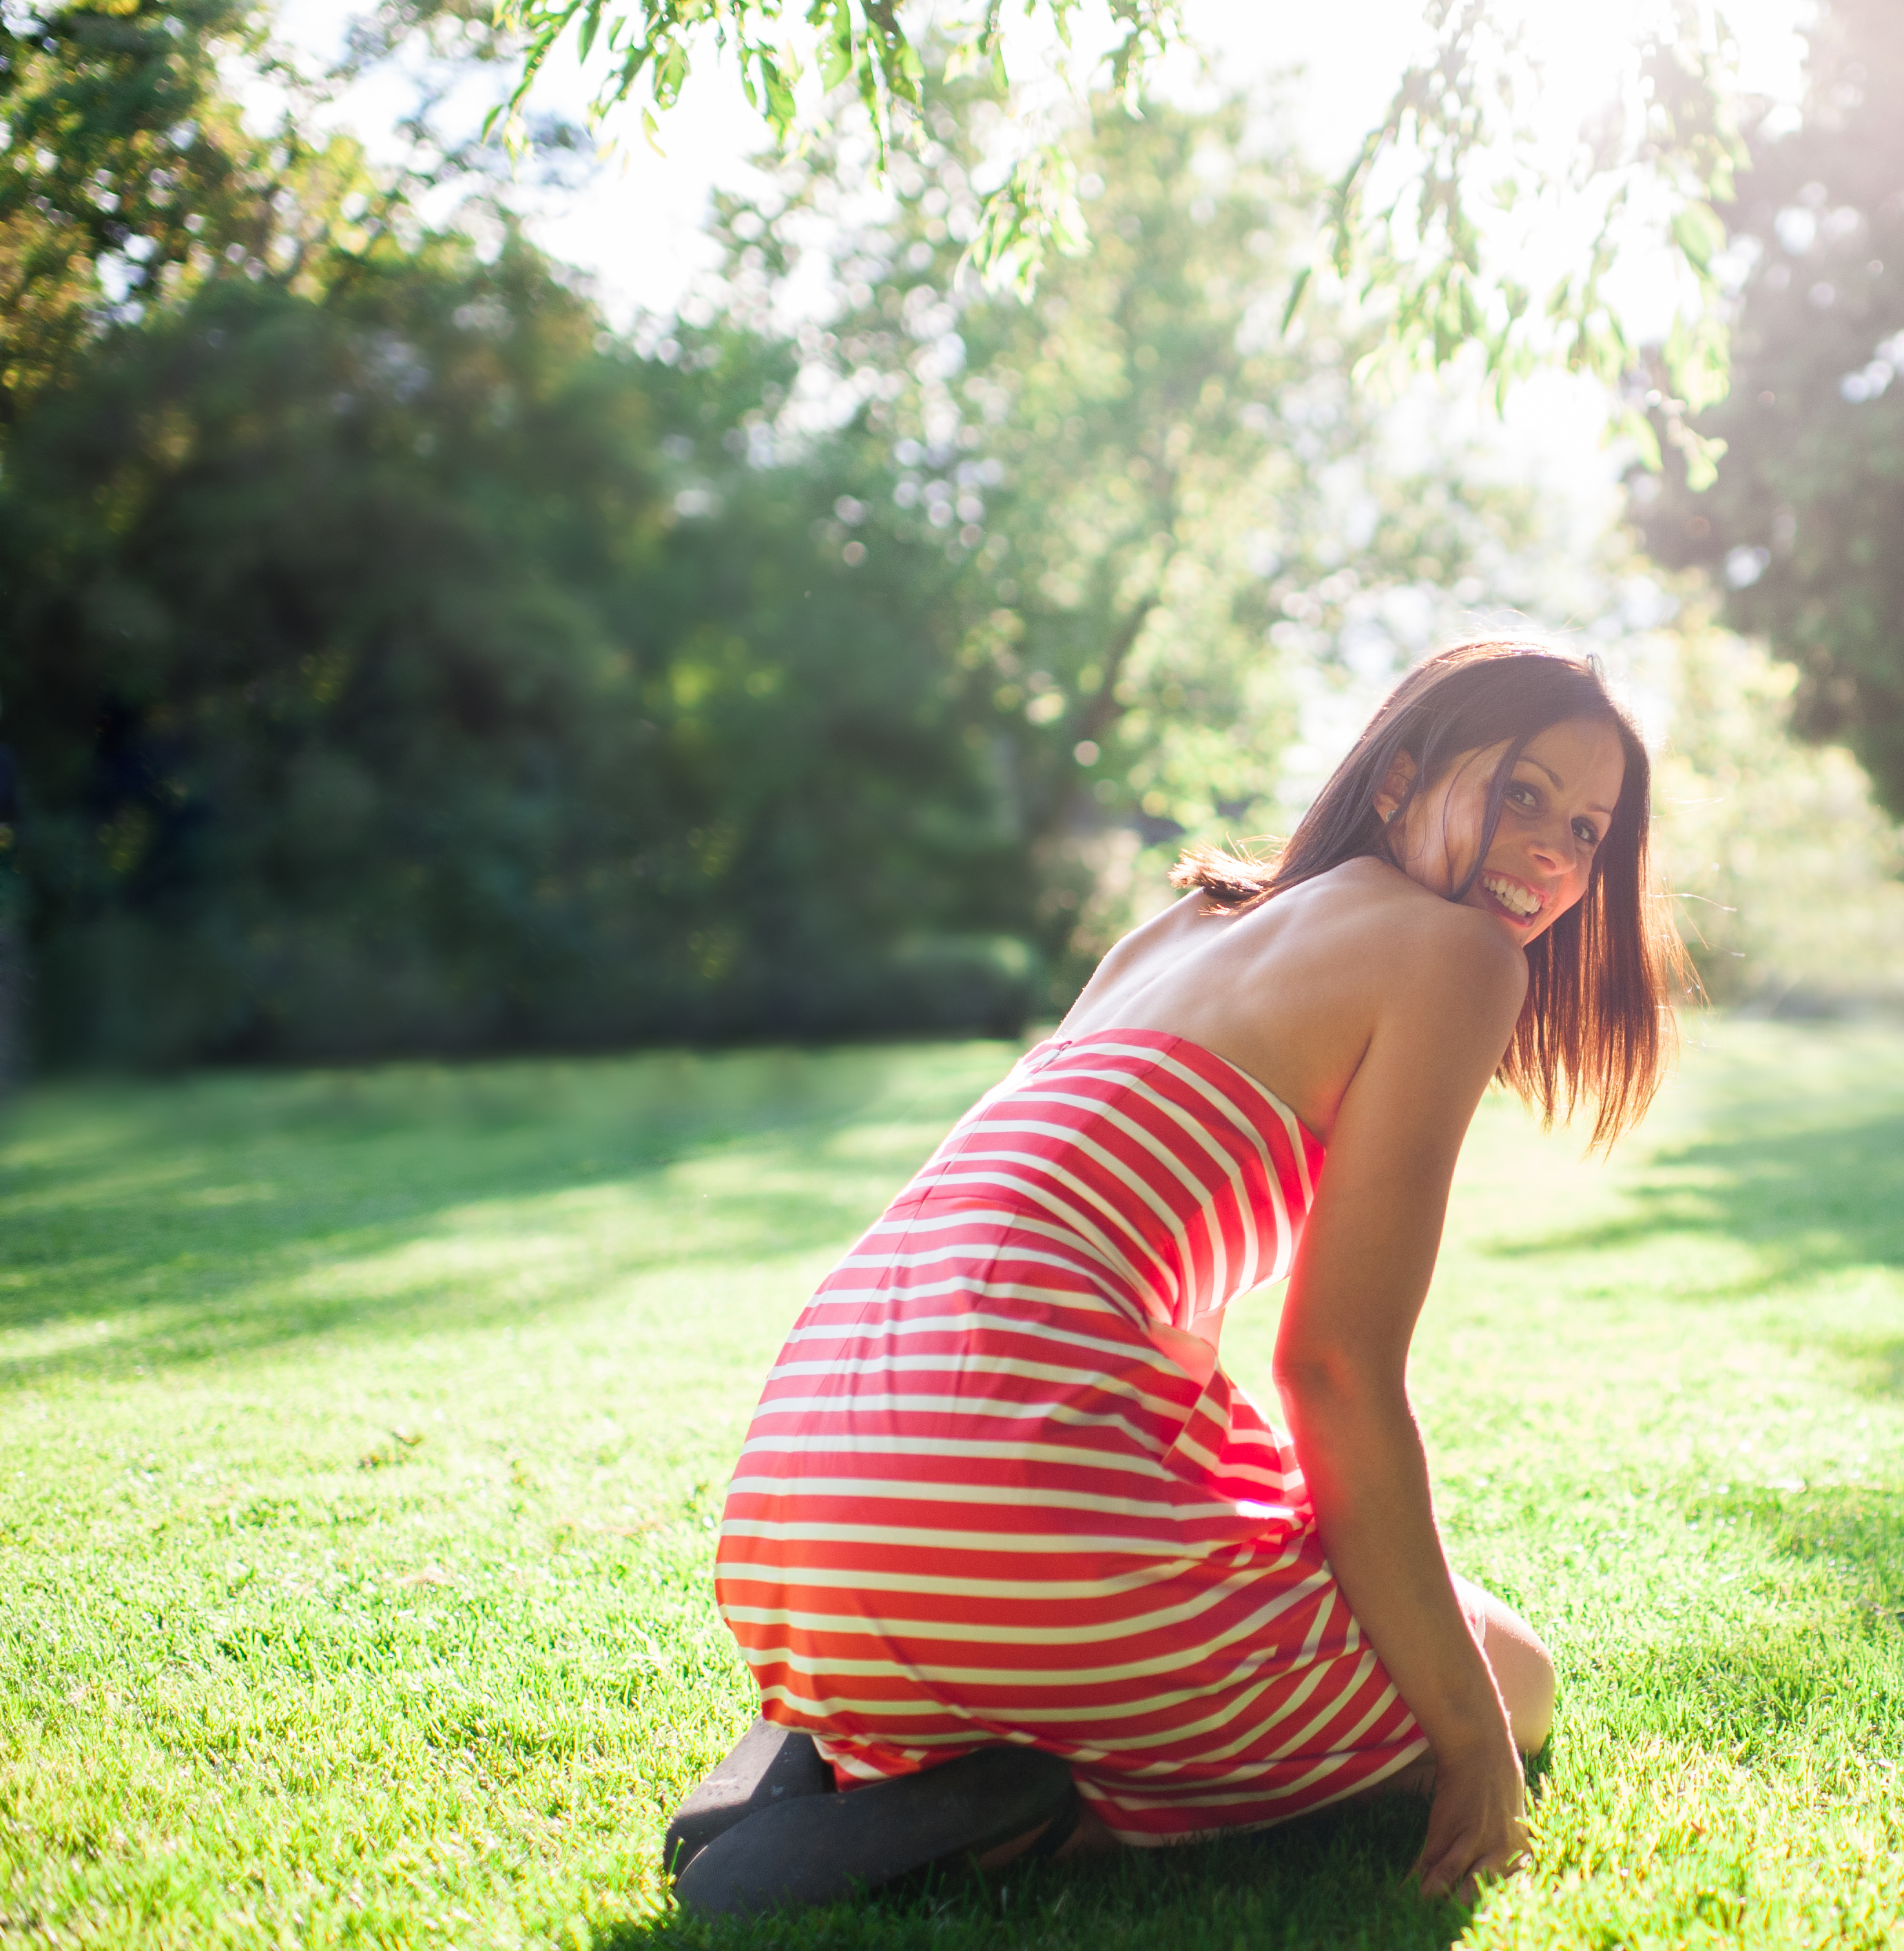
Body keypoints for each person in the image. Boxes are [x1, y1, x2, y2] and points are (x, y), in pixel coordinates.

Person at [667, 641, 1692, 1913]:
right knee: (1514, 1677)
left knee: (1277, 1565)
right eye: (1524, 794)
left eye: (1588, 830)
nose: (1551, 853)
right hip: (994, 1530)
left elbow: (1116, 1300)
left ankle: (855, 1760)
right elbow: (1332, 1372)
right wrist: (1479, 1749)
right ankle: (998, 1839)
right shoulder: (1457, 957)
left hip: (794, 1516)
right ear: (1399, 779)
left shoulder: (1189, 923)